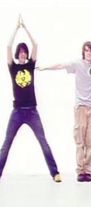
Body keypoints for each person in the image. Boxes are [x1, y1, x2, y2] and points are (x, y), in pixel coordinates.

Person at [39, 41, 91, 182]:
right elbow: (61, 65)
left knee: (90, 140)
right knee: (80, 140)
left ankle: (88, 171)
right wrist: (44, 67)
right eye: (86, 51)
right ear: (83, 53)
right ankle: (80, 170)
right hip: (80, 108)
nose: (88, 53)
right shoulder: (77, 64)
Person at [0, 16, 61, 182]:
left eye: (24, 52)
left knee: (43, 141)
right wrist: (16, 28)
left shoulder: (29, 66)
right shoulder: (13, 67)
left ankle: (55, 173)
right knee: (7, 143)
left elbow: (35, 45)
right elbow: (7, 45)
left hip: (32, 111)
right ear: (17, 54)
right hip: (17, 112)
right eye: (20, 52)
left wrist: (25, 28)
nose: (22, 54)